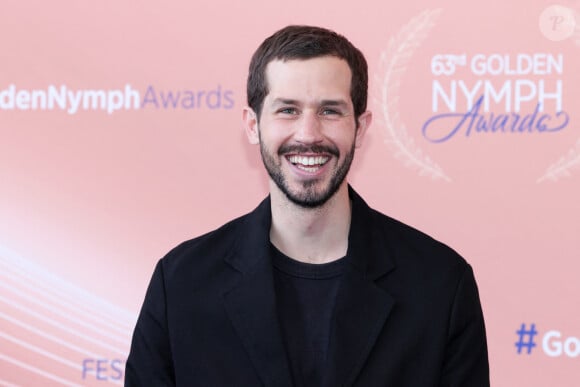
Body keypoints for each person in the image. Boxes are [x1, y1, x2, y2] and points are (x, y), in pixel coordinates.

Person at [125, 25, 489, 386]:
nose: (309, 134)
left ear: (360, 129)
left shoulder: (440, 285)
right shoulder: (181, 284)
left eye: (330, 111)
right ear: (252, 125)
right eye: (287, 110)